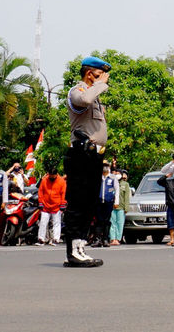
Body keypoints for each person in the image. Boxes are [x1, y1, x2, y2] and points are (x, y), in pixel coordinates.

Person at [62, 55, 112, 268]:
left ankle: (81, 246)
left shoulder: (96, 98)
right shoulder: (78, 91)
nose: (105, 79)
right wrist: (100, 85)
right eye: (101, 74)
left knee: (89, 203)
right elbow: (83, 101)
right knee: (78, 203)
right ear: (90, 73)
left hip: (94, 156)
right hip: (81, 154)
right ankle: (73, 250)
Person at [37, 166, 66, 245]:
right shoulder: (44, 180)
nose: (52, 178)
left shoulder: (61, 181)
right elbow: (41, 191)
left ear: (56, 174)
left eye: (53, 176)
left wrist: (63, 204)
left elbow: (63, 193)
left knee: (57, 223)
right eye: (50, 176)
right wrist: (40, 202)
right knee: (43, 222)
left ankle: (56, 239)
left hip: (57, 206)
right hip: (45, 205)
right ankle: (41, 239)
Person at [93, 162, 117, 247]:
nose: (105, 168)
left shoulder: (113, 177)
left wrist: (116, 201)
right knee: (98, 221)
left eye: (106, 166)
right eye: (103, 166)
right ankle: (97, 239)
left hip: (108, 202)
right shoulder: (97, 177)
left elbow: (117, 190)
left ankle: (105, 239)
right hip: (98, 202)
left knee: (106, 221)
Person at [110, 168, 130, 245]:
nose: (117, 175)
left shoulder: (125, 184)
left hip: (121, 207)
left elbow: (126, 197)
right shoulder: (111, 183)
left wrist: (126, 208)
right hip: (112, 207)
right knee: (112, 223)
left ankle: (118, 239)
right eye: (116, 173)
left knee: (120, 224)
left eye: (118, 173)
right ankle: (112, 239)